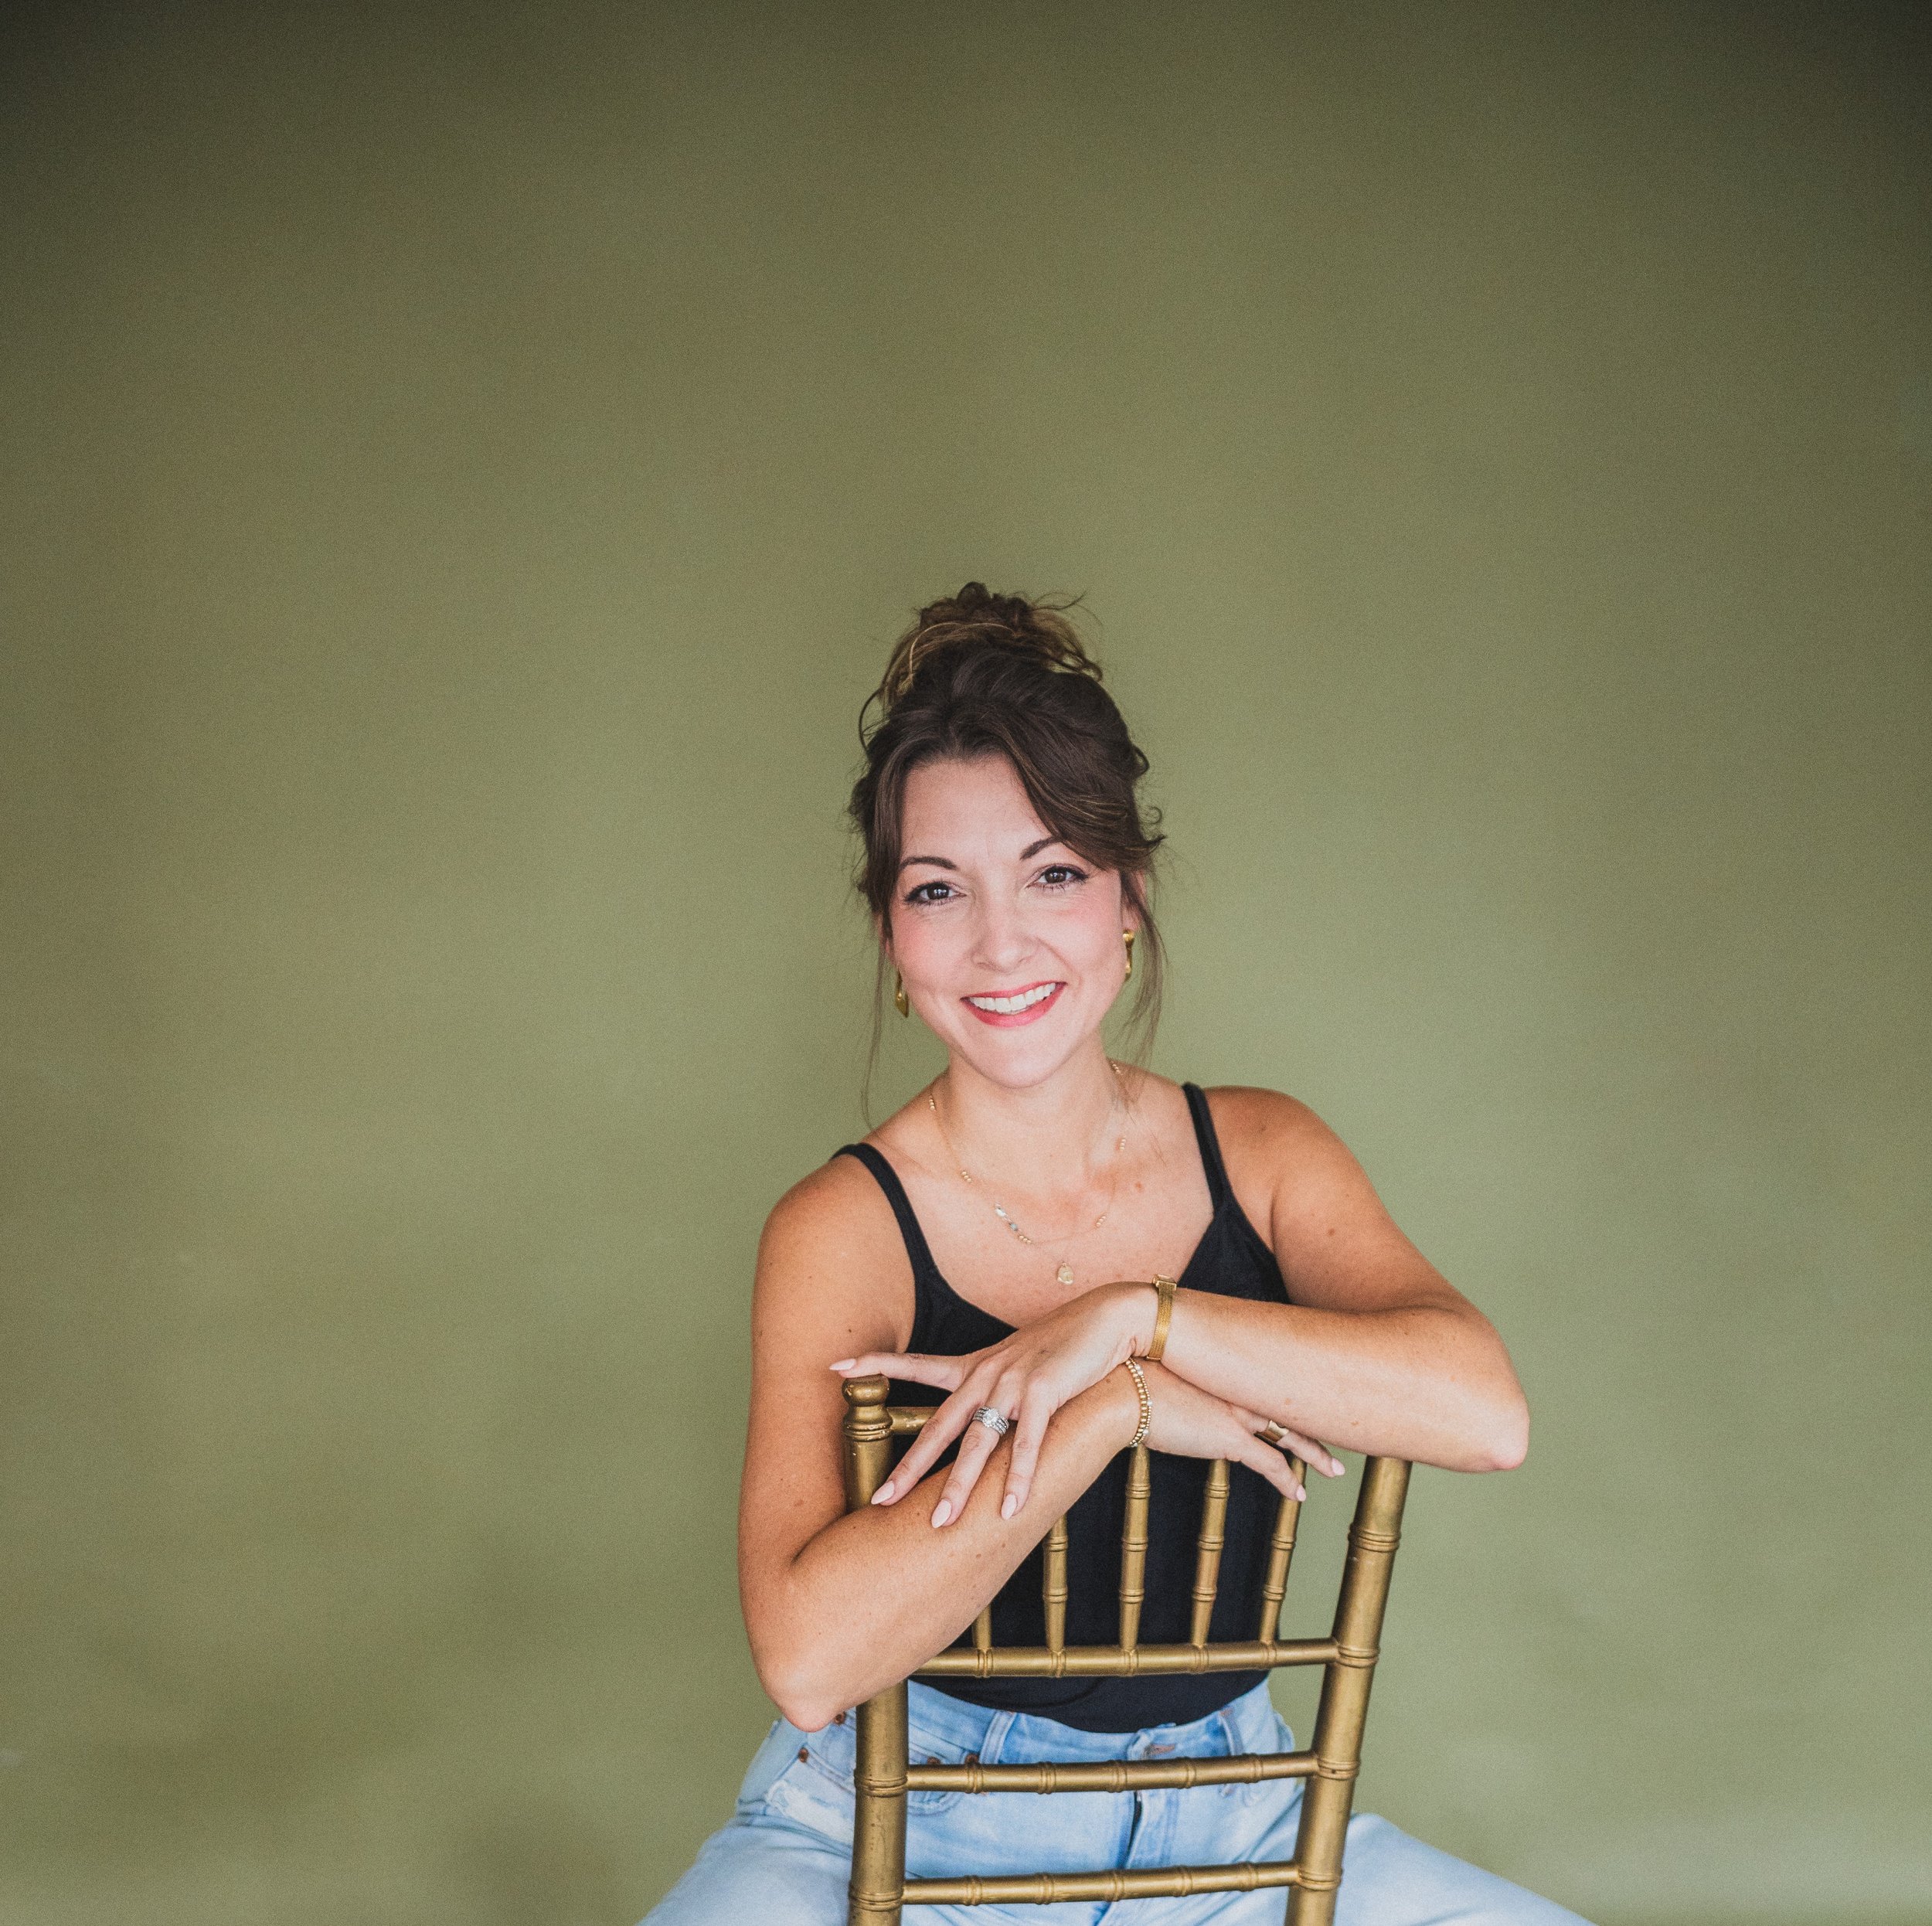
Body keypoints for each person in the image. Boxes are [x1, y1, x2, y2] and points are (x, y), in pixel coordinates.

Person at [644, 585, 1587, 1924]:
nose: (1000, 943)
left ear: (1128, 898)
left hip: (1241, 1824)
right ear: (892, 935)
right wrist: (1107, 1414)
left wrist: (1141, 1319)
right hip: (899, 1831)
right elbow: (808, 1664)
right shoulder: (840, 1226)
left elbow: (1484, 1414)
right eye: (938, 890)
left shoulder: (1262, 1150)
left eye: (1055, 874)